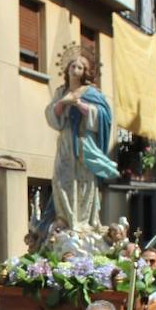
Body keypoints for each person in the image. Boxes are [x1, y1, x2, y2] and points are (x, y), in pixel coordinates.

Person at [45, 45, 114, 231]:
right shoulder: (61, 92)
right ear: (66, 69)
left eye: (80, 67)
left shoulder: (91, 93)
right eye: (72, 66)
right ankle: (64, 218)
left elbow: (104, 116)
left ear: (85, 72)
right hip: (66, 143)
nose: (75, 70)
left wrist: (80, 105)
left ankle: (83, 221)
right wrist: (63, 103)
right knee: (61, 179)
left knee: (84, 181)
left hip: (84, 142)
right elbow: (52, 116)